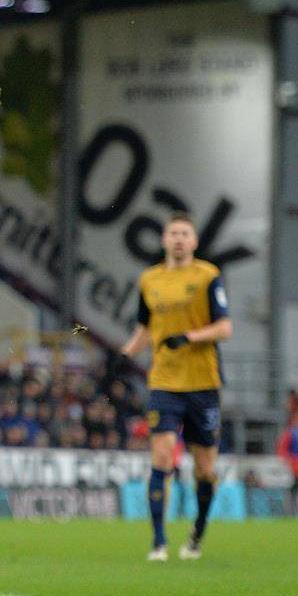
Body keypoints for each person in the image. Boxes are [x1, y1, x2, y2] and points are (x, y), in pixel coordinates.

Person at [119, 213, 232, 563]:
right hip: (164, 382)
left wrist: (190, 337)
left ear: (195, 242)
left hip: (203, 384)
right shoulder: (149, 279)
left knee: (204, 468)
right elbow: (145, 329)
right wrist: (122, 355)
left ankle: (197, 530)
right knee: (162, 456)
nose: (179, 238)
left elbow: (225, 328)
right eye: (173, 233)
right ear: (164, 240)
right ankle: (158, 542)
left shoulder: (208, 275)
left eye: (185, 233)